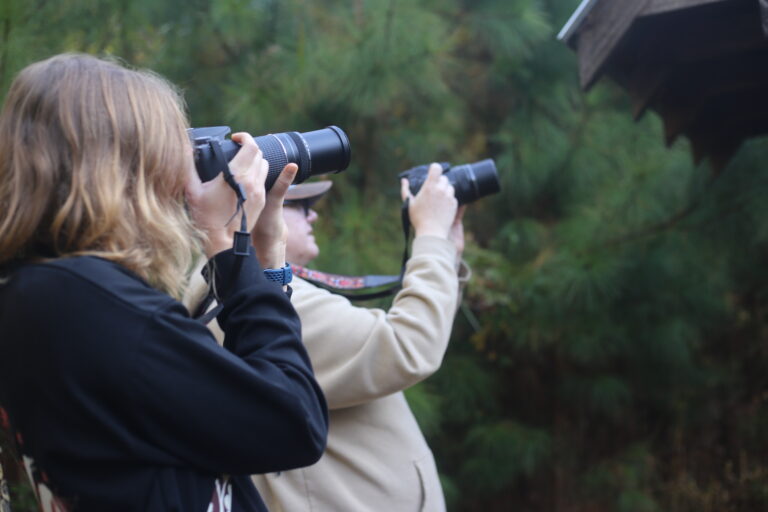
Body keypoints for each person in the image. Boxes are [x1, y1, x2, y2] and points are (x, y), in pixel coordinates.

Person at [0, 53, 328, 512]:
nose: (180, 175)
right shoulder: (82, 303)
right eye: (170, 152)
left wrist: (262, 264)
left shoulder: (44, 292)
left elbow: (237, 411)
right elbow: (295, 423)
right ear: (123, 168)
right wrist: (223, 239)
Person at [250, 166, 469, 511]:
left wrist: (444, 250)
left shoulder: (265, 292)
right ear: (252, 211)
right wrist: (430, 234)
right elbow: (407, 346)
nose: (315, 216)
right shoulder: (256, 301)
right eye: (300, 206)